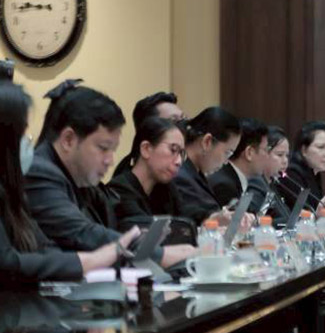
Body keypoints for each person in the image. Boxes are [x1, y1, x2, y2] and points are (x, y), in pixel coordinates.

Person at [26, 82, 192, 268]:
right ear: (68, 140)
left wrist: (144, 240)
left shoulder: (81, 180)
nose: (110, 160)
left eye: (113, 150)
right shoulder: (39, 173)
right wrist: (158, 254)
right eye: (103, 148)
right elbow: (82, 233)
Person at [0, 80, 136, 285]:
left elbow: (41, 247)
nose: (28, 141)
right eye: (21, 134)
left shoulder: (11, 188)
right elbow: (7, 263)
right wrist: (89, 261)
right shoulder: (39, 172)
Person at [108, 115, 186, 231]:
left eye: (181, 154)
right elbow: (147, 233)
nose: (179, 161)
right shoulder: (119, 191)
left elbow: (185, 227)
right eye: (173, 150)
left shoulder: (167, 188)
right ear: (146, 149)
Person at [172, 106, 242, 225]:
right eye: (227, 152)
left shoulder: (194, 173)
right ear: (207, 142)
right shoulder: (180, 175)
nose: (226, 161)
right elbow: (194, 217)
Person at [210, 118, 271, 212]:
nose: (268, 157)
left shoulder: (233, 178)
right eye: (266, 150)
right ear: (249, 153)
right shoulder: (224, 186)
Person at [282, 121, 325, 212]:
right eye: (321, 147)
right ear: (304, 150)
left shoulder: (314, 172)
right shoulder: (291, 174)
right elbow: (301, 214)